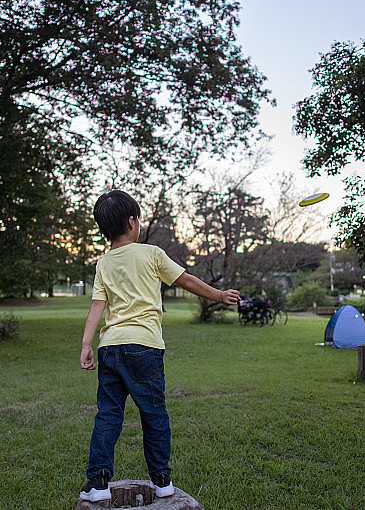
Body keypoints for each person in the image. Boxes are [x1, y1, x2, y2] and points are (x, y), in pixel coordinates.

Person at [79, 190, 241, 503]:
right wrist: (219, 295)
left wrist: (87, 343)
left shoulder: (103, 263)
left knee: (108, 415)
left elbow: (97, 305)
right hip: (144, 346)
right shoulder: (151, 253)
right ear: (131, 222)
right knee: (154, 414)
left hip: (109, 347)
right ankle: (162, 482)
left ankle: (98, 483)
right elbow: (186, 280)